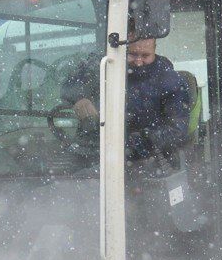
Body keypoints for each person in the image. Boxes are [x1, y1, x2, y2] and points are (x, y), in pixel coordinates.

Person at [65, 36, 196, 166]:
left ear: (154, 50)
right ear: (122, 49)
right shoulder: (108, 66)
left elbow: (177, 131)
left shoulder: (171, 82)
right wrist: (79, 97)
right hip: (96, 149)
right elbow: (69, 84)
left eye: (145, 55)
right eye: (133, 54)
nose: (139, 62)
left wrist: (136, 141)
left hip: (149, 160)